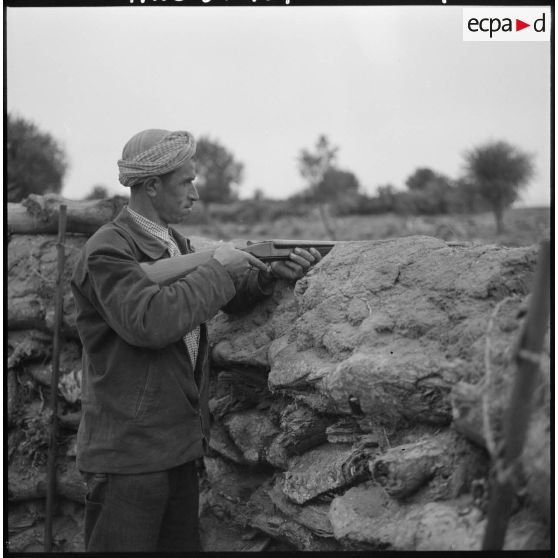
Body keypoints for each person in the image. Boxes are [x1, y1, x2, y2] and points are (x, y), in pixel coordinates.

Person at [70, 128, 321, 552]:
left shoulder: (173, 244)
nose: (196, 193)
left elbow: (201, 302)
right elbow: (150, 321)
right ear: (152, 185)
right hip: (130, 456)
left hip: (176, 448)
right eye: (186, 181)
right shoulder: (108, 250)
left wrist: (265, 273)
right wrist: (219, 269)